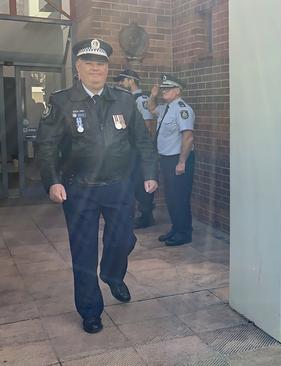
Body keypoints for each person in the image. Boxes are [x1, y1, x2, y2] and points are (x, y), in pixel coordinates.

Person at [36, 39, 158, 333]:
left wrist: (149, 173)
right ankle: (90, 309)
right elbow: (46, 146)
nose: (95, 68)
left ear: (107, 69)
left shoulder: (124, 100)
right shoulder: (62, 101)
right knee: (84, 251)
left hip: (118, 186)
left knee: (122, 240)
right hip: (79, 188)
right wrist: (52, 181)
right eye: (89, 63)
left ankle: (113, 275)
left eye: (101, 64)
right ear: (78, 67)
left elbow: (141, 141)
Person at [147, 74, 195, 246]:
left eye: (167, 89)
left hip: (179, 159)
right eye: (163, 88)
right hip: (167, 159)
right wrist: (152, 95)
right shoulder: (166, 107)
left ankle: (184, 233)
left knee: (179, 197)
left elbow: (187, 137)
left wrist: (182, 162)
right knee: (171, 197)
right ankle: (176, 228)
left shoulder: (183, 109)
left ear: (177, 91)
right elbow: (151, 109)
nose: (163, 91)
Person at [114, 69, 157, 228]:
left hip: (138, 150)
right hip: (130, 150)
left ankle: (146, 216)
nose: (119, 83)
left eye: (122, 80)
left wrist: (140, 149)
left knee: (141, 184)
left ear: (131, 80)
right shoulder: (128, 99)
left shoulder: (140, 100)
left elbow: (146, 126)